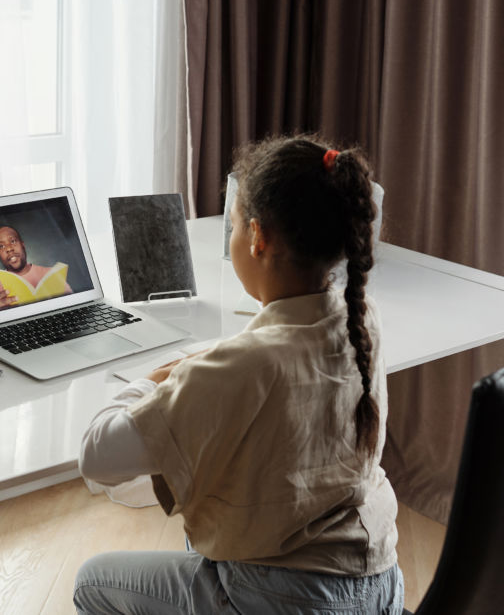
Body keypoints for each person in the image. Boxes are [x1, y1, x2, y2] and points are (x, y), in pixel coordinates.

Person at [73, 136, 403, 614]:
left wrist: (154, 377)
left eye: (231, 227)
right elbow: (274, 364)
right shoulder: (361, 320)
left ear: (257, 237)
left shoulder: (242, 368)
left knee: (90, 583)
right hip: (379, 586)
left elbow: (97, 455)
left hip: (287, 600)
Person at [0, 225, 72, 312]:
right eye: (2, 246)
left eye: (12, 241)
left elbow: (72, 308)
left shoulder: (52, 275)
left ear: (22, 245)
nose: (9, 249)